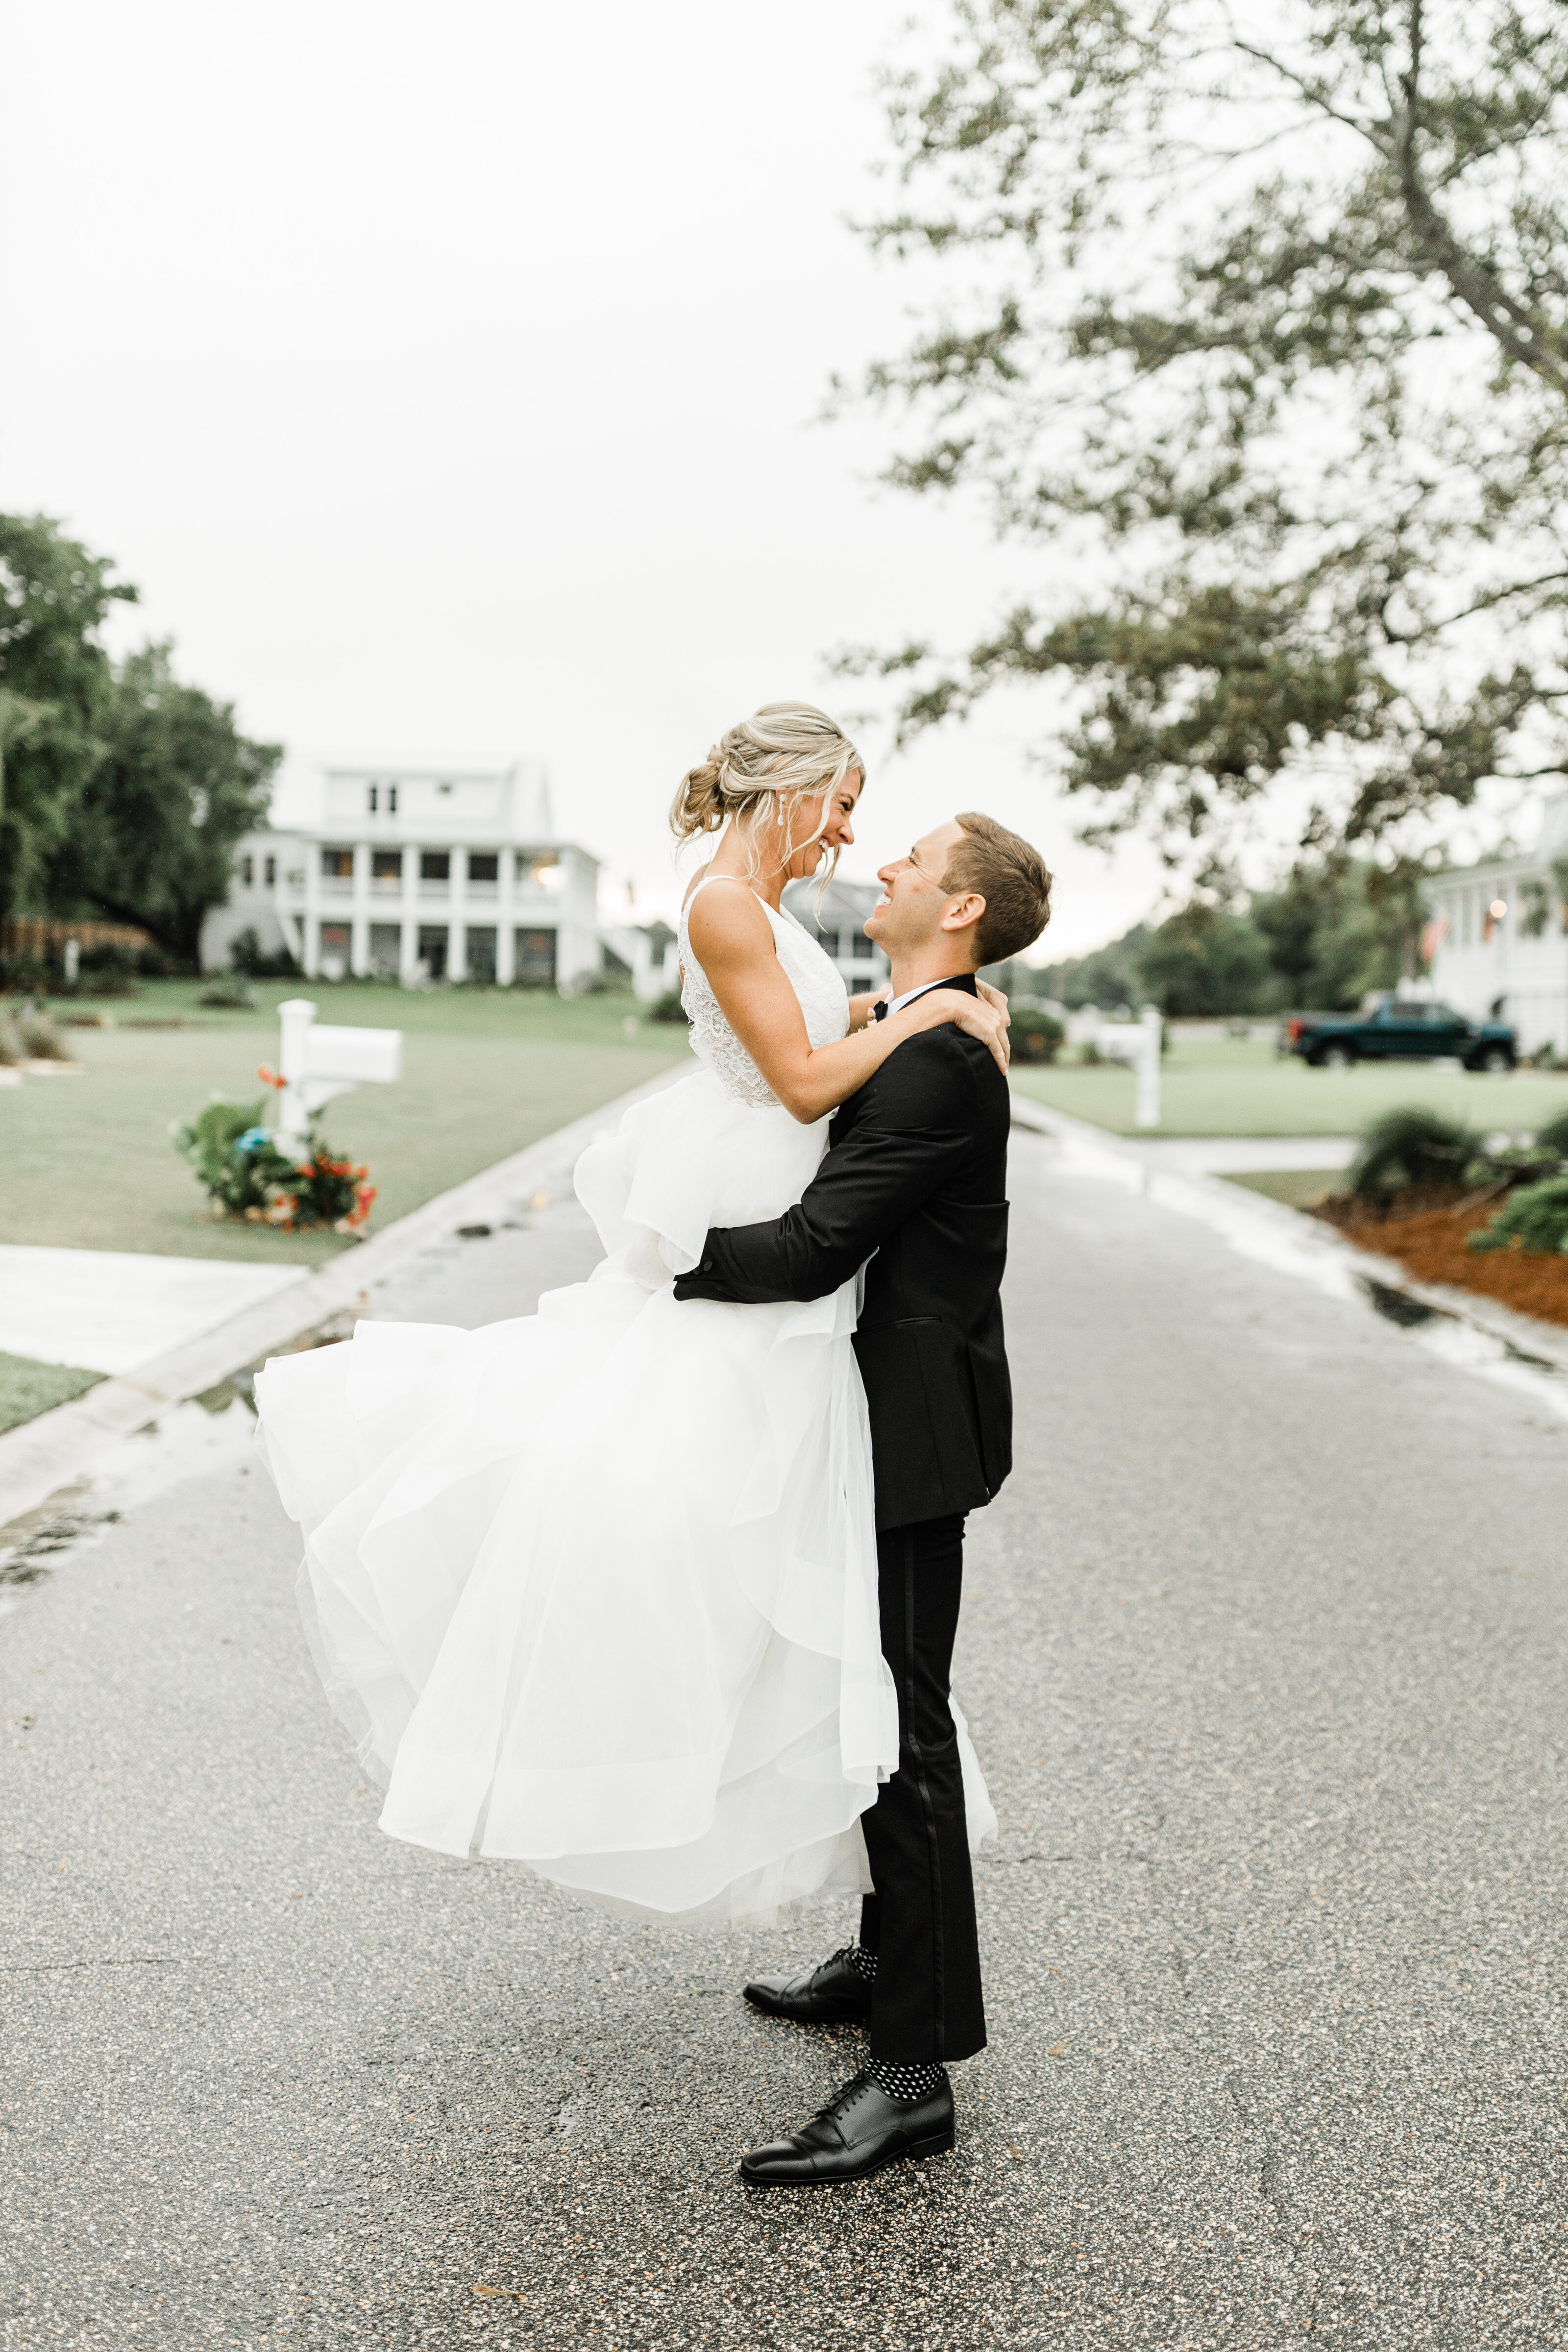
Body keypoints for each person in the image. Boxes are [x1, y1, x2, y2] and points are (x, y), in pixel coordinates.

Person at [252, 704, 1010, 1941]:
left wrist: (894, 1014)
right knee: (684, 1518)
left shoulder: (759, 908)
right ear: (792, 789)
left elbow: (817, 1049)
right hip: (761, 1220)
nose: (852, 834)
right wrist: (924, 1013)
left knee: (799, 1575)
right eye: (844, 803)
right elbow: (801, 1082)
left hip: (791, 1229)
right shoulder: (722, 902)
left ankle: (885, 1944)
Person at [674, 808, 1053, 2186]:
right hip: (872, 1416)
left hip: (909, 1434)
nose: (884, 861)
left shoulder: (944, 1060)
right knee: (874, 1700)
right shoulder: (933, 1021)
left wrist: (663, 1253)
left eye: (914, 860)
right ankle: (886, 1958)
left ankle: (912, 2075)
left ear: (957, 912)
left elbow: (819, 1245)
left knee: (904, 1725)